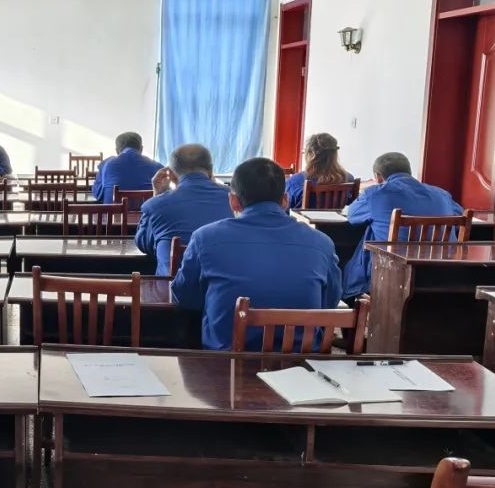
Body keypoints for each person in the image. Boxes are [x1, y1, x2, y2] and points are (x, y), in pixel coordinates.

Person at [171, 157, 343, 351]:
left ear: (233, 201)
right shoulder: (322, 243)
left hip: (226, 363)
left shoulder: (204, 238)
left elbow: (185, 297)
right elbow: (329, 302)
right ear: (285, 200)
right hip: (303, 362)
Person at [342, 152, 462, 298]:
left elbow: (352, 216)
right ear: (409, 171)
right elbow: (459, 216)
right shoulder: (442, 194)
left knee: (370, 233)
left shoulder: (375, 194)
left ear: (378, 177)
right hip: (443, 273)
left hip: (392, 273)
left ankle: (353, 300)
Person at [134, 144, 233, 275]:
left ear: (171, 174)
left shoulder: (155, 205)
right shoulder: (235, 200)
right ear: (211, 171)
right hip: (222, 283)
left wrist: (158, 196)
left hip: (170, 285)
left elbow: (144, 244)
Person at [285, 133, 355, 209]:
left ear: (310, 154)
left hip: (303, 217)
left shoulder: (294, 182)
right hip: (339, 217)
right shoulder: (348, 179)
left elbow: (284, 209)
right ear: (335, 154)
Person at [92, 132, 164, 205]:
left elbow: (97, 194)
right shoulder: (157, 167)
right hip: (147, 212)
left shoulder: (107, 164)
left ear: (117, 151)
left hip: (113, 212)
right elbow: (164, 196)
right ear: (141, 149)